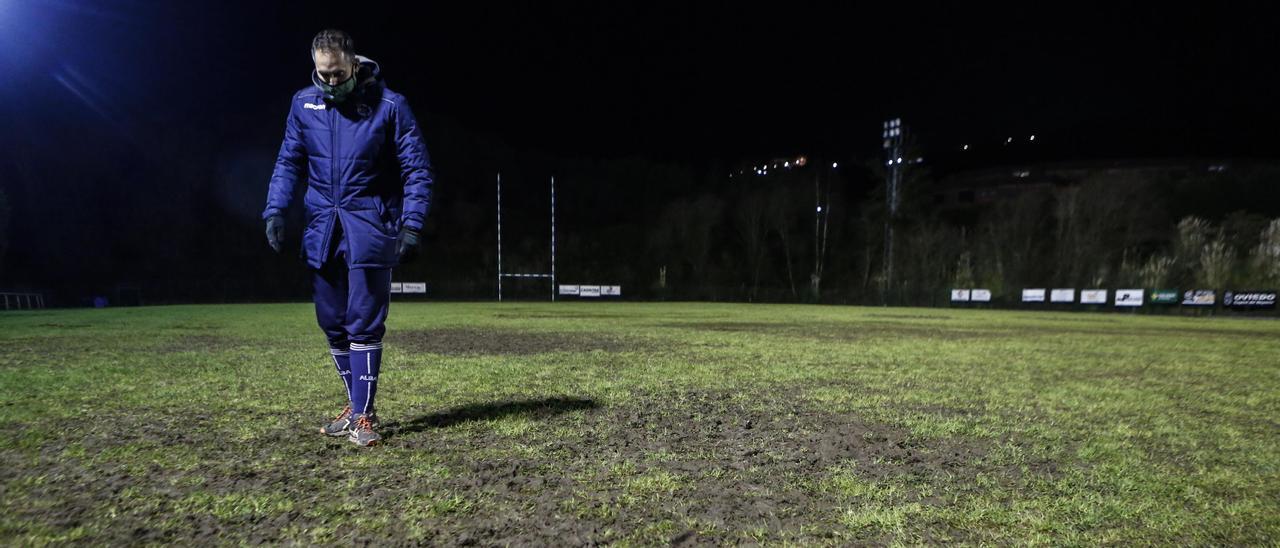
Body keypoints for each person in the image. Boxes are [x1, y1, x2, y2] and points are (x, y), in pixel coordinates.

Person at [262, 29, 433, 447]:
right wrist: (275, 209)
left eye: (338, 74)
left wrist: (411, 225)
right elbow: (288, 161)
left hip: (370, 228)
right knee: (332, 324)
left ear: (354, 64)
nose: (331, 82)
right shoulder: (303, 103)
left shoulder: (391, 106)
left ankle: (364, 418)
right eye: (323, 75)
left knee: (364, 323)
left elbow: (417, 169)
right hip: (322, 228)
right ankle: (356, 405)